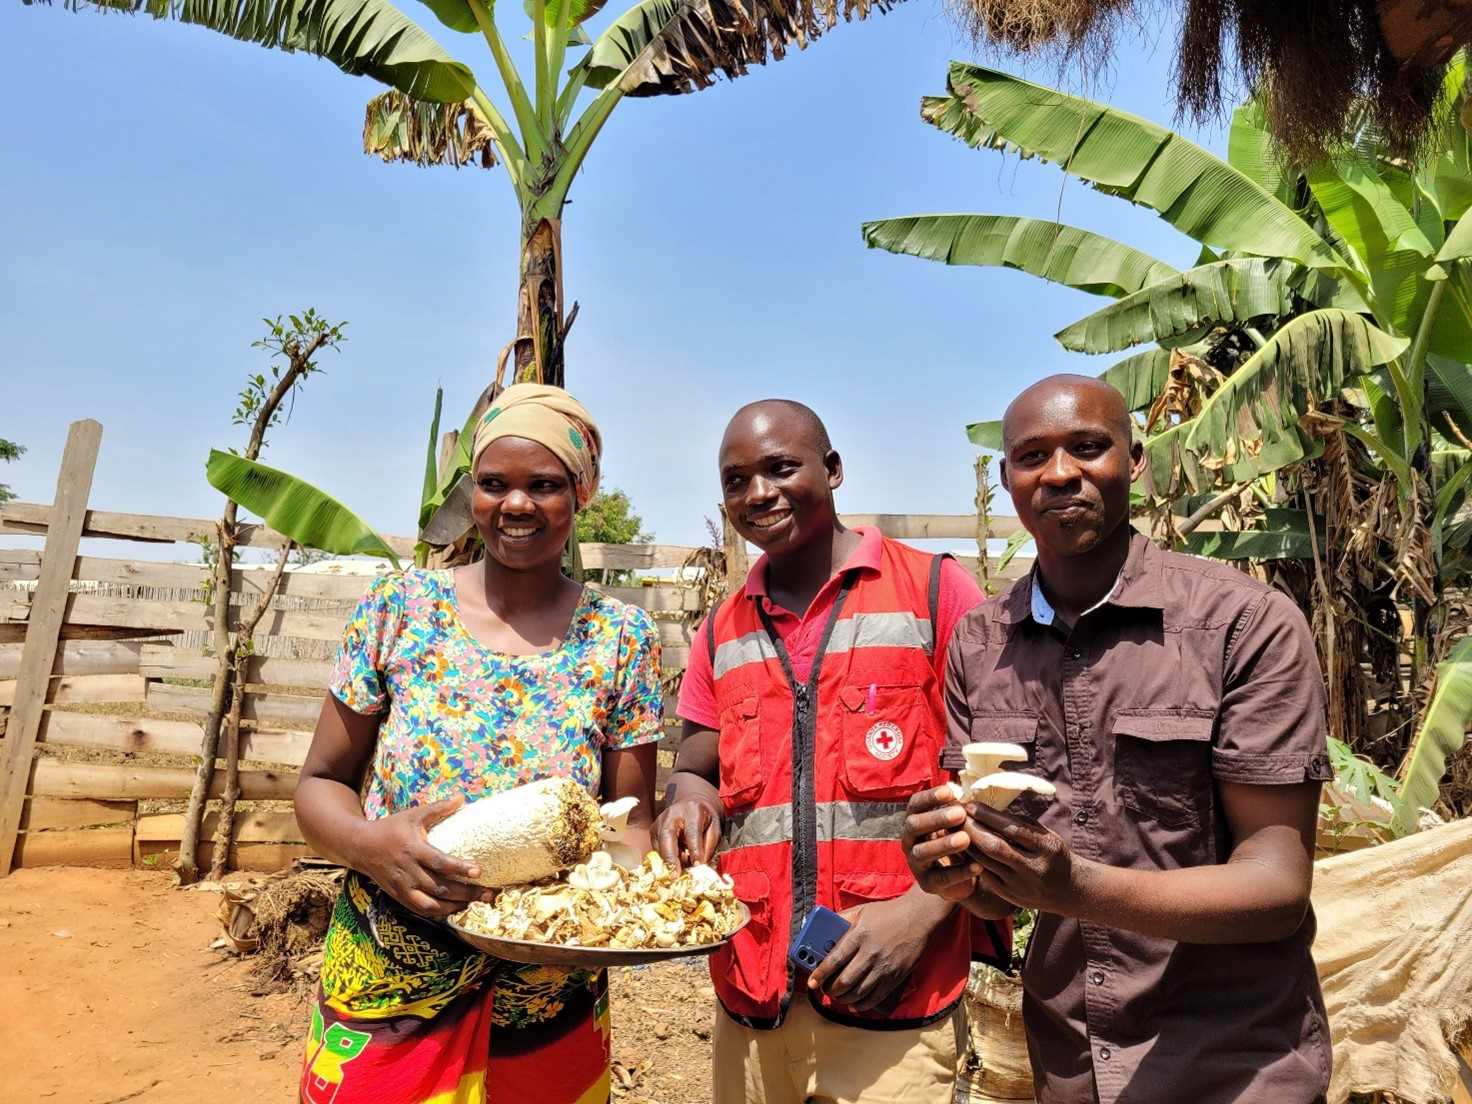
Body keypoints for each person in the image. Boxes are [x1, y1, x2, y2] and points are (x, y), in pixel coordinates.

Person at [902, 374, 1334, 1104]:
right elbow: (994, 901)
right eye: (1032, 455)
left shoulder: (1244, 625)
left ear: (1134, 461)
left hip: (1234, 1066)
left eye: (1089, 447)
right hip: (1070, 1061)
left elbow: (1277, 886)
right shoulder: (980, 645)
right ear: (1006, 478)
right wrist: (951, 872)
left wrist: (1079, 889)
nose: (1061, 472)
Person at [294, 383, 664, 1104]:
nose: (516, 504)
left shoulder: (621, 640)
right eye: (494, 484)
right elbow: (319, 782)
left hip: (549, 991)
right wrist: (371, 845)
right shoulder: (400, 609)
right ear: (473, 492)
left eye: (545, 485)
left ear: (580, 493)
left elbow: (632, 822)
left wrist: (660, 897)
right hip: (388, 970)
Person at [652, 399, 1008, 1104]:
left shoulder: (934, 593)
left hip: (898, 1003)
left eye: (780, 468)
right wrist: (686, 810)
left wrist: (922, 913)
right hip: (753, 1003)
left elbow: (998, 782)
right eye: (735, 481)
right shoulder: (724, 627)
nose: (758, 493)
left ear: (834, 469)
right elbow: (697, 768)